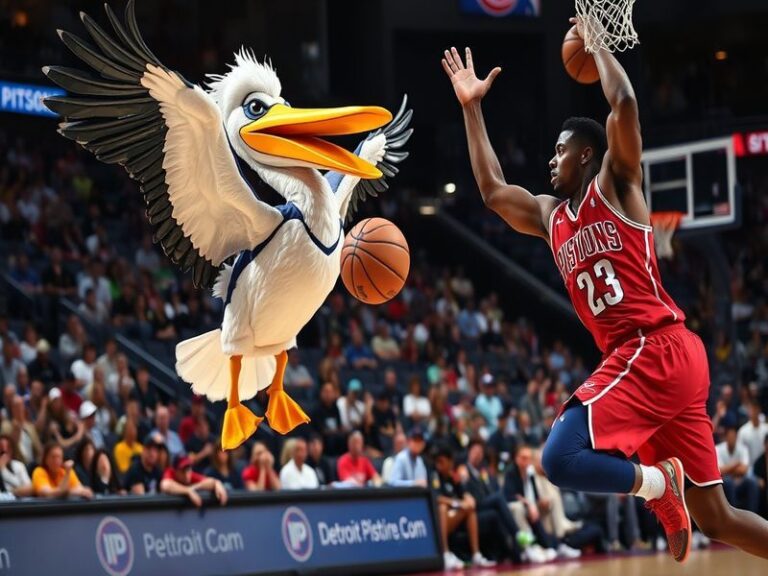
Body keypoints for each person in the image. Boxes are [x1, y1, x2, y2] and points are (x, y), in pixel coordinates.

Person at [442, 18, 768, 562]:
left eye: (561, 149)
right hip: (660, 361)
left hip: (653, 347)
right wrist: (472, 107)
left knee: (559, 457)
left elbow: (625, 108)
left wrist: (598, 47)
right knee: (717, 516)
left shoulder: (616, 184)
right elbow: (495, 190)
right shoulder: (550, 217)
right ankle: (662, 488)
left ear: (587, 155)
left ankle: (660, 487)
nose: (551, 158)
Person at [431, 443, 496, 570]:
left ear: (450, 462)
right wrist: (457, 503)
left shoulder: (454, 477)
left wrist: (467, 498)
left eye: (442, 462)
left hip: (454, 517)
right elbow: (436, 498)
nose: (439, 465)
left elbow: (464, 494)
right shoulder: (435, 475)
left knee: (470, 509)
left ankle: (476, 554)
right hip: (440, 519)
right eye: (437, 462)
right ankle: (445, 553)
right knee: (442, 508)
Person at [717, 426, 760, 514]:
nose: (731, 439)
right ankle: (734, 516)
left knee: (752, 481)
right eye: (729, 436)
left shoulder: (743, 449)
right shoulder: (718, 449)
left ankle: (753, 515)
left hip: (740, 481)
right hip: (725, 482)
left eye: (733, 436)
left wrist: (728, 469)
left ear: (736, 437)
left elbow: (744, 470)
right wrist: (736, 463)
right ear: (725, 437)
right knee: (729, 482)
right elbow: (720, 471)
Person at [161, 454, 228, 507]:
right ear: (176, 470)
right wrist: (188, 491)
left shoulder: (190, 474)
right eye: (183, 470)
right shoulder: (170, 472)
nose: (186, 473)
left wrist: (217, 483)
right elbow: (165, 485)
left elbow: (210, 482)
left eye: (188, 468)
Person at [0, 434, 34, 498]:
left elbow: (29, 489)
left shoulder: (18, 465)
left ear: (12, 450)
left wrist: (3, 470)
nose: (5, 453)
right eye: (1, 450)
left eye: (8, 449)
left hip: (20, 504)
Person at [737, 401, 768, 469]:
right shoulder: (743, 431)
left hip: (765, 467)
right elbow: (740, 452)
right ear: (748, 411)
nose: (754, 412)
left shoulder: (766, 429)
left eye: (756, 409)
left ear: (759, 410)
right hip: (749, 469)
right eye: (752, 409)